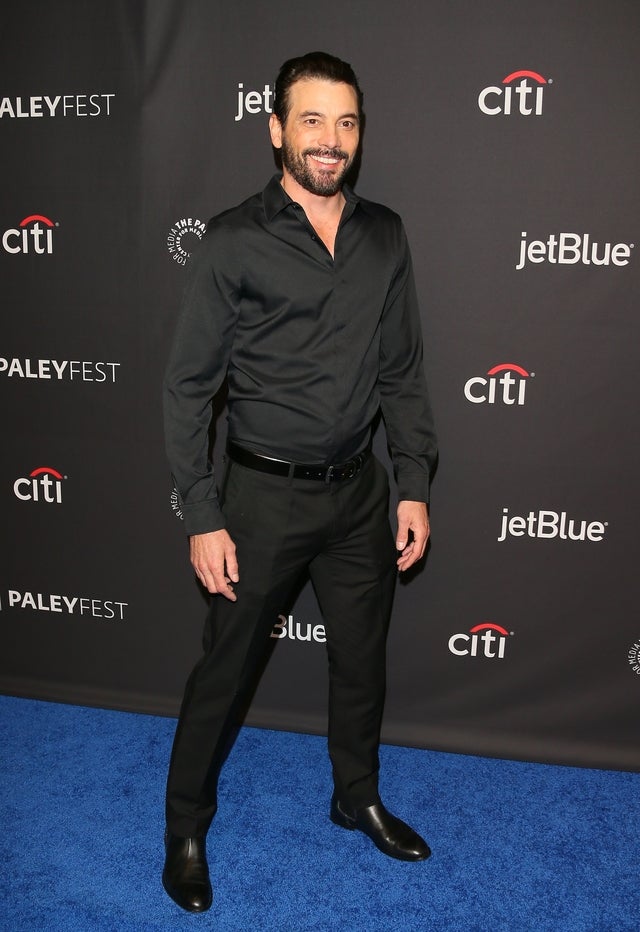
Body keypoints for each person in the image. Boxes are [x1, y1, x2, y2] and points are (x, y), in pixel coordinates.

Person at [161, 51, 437, 913]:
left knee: (361, 664)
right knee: (225, 671)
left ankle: (355, 796)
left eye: (346, 122)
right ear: (277, 129)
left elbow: (403, 374)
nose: (331, 139)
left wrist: (414, 482)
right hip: (259, 500)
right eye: (312, 120)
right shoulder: (235, 238)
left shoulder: (384, 234)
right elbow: (188, 388)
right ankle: (185, 826)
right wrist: (203, 511)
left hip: (359, 495)